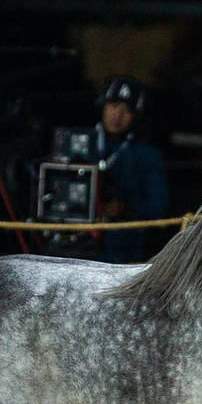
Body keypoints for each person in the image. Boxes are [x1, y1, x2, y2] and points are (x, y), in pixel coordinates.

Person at [52, 75, 169, 264]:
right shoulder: (76, 143)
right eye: (113, 106)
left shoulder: (147, 155)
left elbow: (159, 206)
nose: (117, 115)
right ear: (103, 107)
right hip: (72, 243)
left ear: (137, 115)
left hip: (121, 250)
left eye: (126, 110)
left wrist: (127, 209)